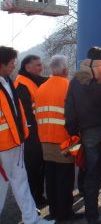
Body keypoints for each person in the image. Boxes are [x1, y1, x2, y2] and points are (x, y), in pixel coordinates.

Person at [65, 47, 101, 224]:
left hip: (88, 132)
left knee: (91, 176)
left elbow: (70, 110)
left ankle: (92, 217)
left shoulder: (75, 81)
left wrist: (74, 132)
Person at [0, 46, 54, 224]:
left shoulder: (8, 81)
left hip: (16, 143)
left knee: (21, 183)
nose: (13, 66)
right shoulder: (16, 83)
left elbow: (17, 112)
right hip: (4, 146)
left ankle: (32, 220)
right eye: (11, 63)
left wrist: (24, 133)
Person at [35, 55, 82, 221]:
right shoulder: (68, 86)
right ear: (64, 70)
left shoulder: (41, 88)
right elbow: (75, 114)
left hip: (45, 140)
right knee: (65, 178)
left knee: (51, 177)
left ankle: (54, 212)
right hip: (65, 140)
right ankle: (65, 213)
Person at [14, 55, 47, 208]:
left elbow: (44, 81)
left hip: (36, 132)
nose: (41, 68)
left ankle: (38, 198)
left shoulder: (31, 80)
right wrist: (32, 137)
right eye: (38, 65)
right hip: (31, 135)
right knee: (33, 168)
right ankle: (35, 201)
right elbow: (25, 115)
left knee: (38, 167)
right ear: (28, 68)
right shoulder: (21, 84)